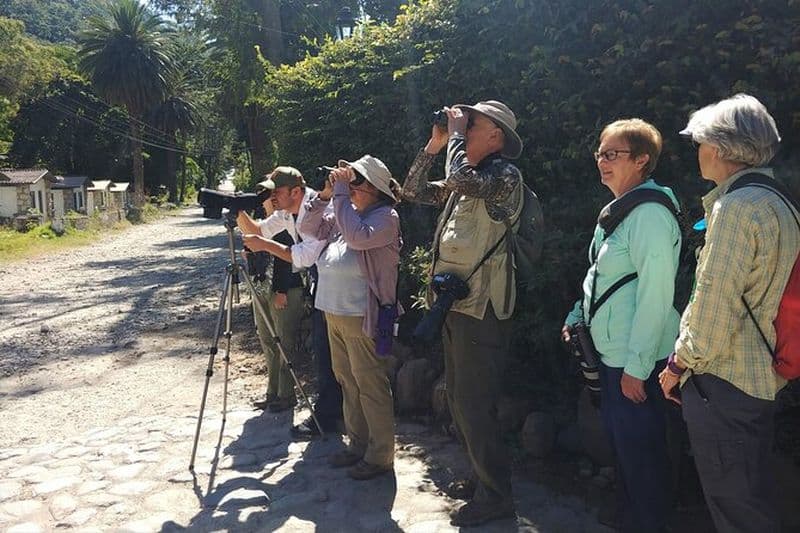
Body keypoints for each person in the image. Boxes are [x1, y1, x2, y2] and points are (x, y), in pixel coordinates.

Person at [659, 94, 800, 533]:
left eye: (700, 142)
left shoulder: (736, 208)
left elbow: (713, 304)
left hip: (724, 381)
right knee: (749, 496)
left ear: (719, 148)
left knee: (737, 508)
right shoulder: (779, 201)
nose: (698, 151)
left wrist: (679, 362)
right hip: (761, 375)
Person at [403, 100, 523, 527]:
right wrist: (435, 144)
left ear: (497, 137)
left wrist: (454, 137)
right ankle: (481, 478)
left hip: (484, 309)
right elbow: (412, 192)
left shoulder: (504, 176)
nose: (466, 127)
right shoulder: (464, 181)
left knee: (474, 404)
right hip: (454, 304)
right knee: (457, 399)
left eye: (474, 124)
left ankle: (496, 495)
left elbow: (460, 178)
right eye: (464, 121)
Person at [563, 119, 680, 532]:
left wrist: (638, 365)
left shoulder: (648, 215)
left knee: (642, 453)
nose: (602, 161)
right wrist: (577, 315)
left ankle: (648, 522)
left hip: (636, 361)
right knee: (626, 449)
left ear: (642, 160)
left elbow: (656, 295)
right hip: (613, 356)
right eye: (600, 153)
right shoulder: (619, 212)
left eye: (612, 154)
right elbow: (602, 279)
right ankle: (632, 518)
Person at [300, 155, 402, 481]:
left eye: (355, 181)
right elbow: (307, 228)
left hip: (363, 315)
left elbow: (359, 238)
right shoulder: (345, 214)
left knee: (370, 384)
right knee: (347, 381)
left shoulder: (386, 217)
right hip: (333, 312)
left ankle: (380, 454)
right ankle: (357, 444)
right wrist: (328, 195)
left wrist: (341, 195)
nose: (350, 187)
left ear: (373, 187)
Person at [239, 167, 344, 431]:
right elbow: (260, 232)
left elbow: (304, 256)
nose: (271, 198)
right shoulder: (286, 211)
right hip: (323, 284)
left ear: (295, 192)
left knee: (329, 355)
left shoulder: (318, 208)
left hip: (339, 285)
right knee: (324, 354)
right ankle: (331, 416)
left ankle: (329, 417)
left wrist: (264, 246)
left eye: (276, 193)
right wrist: (236, 209)